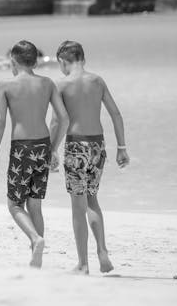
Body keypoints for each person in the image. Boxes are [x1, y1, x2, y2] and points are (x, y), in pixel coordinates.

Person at [0, 40, 69, 268]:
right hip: (43, 145)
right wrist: (53, 148)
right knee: (35, 205)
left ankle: (36, 239)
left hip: (21, 148)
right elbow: (63, 118)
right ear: (35, 61)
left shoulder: (5, 85)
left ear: (13, 61)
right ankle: (36, 259)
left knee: (14, 205)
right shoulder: (48, 83)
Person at [51, 40, 129, 275]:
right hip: (98, 145)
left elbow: (58, 121)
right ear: (83, 59)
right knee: (93, 199)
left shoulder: (62, 84)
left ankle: (83, 264)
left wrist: (52, 149)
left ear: (63, 61)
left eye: (60, 65)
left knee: (78, 207)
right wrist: (122, 147)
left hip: (76, 146)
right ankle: (102, 251)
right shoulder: (97, 81)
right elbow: (115, 113)